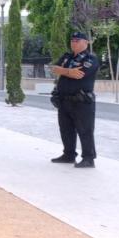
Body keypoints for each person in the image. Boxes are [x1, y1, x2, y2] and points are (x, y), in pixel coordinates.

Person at [49, 31, 98, 168]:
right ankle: (69, 155)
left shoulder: (91, 58)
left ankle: (89, 158)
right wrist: (69, 71)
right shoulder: (67, 57)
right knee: (66, 129)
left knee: (85, 130)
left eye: (77, 40)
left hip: (81, 102)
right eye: (72, 40)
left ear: (85, 43)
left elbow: (80, 74)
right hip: (64, 100)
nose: (74, 43)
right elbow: (54, 68)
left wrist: (63, 71)